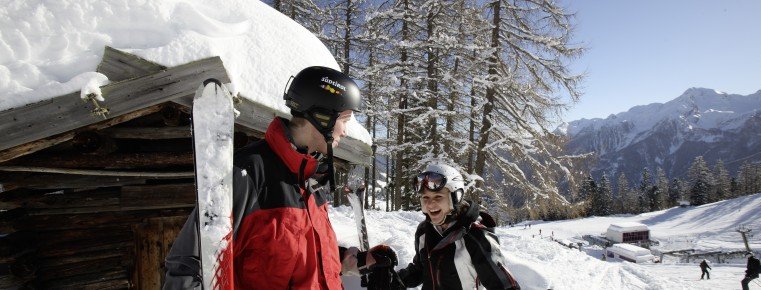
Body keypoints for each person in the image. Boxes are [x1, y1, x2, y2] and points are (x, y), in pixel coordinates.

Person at [163, 66, 395, 289]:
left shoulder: (311, 179)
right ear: (322, 117)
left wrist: (360, 260)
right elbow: (188, 265)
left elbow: (308, 257)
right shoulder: (249, 174)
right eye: (344, 119)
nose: (345, 131)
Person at [393, 163, 521, 290]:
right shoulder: (424, 231)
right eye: (425, 197)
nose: (430, 204)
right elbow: (421, 269)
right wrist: (395, 279)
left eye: (438, 196)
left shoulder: (476, 236)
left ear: (456, 196)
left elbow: (504, 285)